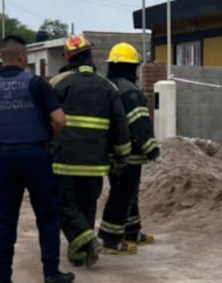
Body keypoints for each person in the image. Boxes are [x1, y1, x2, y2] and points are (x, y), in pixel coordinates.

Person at [0, 35, 74, 283]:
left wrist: (4, 128)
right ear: (22, 57)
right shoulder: (36, 84)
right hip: (36, 155)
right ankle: (51, 275)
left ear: (2, 58)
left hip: (5, 159)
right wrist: (44, 131)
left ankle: (2, 280)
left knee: (5, 219)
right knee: (47, 217)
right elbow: (60, 121)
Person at [50, 35, 132, 266]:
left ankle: (87, 242)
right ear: (90, 55)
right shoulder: (107, 85)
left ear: (67, 57)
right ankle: (80, 254)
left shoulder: (57, 83)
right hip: (96, 162)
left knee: (63, 204)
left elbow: (46, 120)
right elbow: (120, 124)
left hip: (63, 161)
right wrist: (122, 155)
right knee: (86, 204)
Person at [98, 43, 160, 253]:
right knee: (122, 194)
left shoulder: (105, 87)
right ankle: (110, 239)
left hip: (108, 151)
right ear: (130, 67)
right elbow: (139, 124)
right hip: (130, 154)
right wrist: (152, 149)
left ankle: (132, 232)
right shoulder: (130, 91)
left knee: (128, 192)